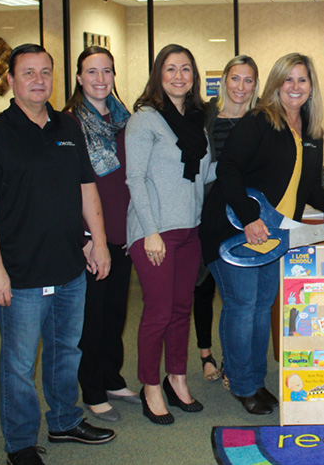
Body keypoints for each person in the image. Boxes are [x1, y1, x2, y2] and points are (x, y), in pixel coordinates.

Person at [0, 43, 115, 465]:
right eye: (28, 72)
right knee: (18, 364)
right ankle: (19, 443)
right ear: (10, 80)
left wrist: (99, 242)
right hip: (20, 272)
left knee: (66, 351)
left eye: (45, 72)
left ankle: (65, 421)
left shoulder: (68, 127)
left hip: (69, 267)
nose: (38, 80)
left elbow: (87, 188)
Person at [199, 52, 324, 415]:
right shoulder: (259, 121)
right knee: (242, 306)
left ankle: (254, 379)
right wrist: (250, 217)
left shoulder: (310, 130)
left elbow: (309, 187)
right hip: (234, 229)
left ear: (311, 86)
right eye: (288, 80)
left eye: (302, 80)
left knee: (261, 306)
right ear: (276, 85)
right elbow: (230, 170)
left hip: (274, 234)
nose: (295, 87)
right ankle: (242, 384)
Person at [126, 44, 213, 424]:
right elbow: (135, 178)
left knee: (181, 310)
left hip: (190, 230)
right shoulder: (145, 119)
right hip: (154, 232)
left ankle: (176, 378)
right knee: (158, 313)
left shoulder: (196, 119)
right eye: (171, 69)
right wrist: (151, 232)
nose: (179, 76)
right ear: (158, 75)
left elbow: (204, 175)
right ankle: (150, 386)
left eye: (186, 70)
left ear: (194, 77)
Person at [63, 46, 139, 422]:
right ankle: (91, 389)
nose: (99, 79)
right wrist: (89, 238)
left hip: (123, 230)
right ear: (79, 78)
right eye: (91, 72)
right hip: (92, 236)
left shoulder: (125, 119)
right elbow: (68, 186)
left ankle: (111, 376)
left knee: (115, 312)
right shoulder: (69, 123)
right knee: (91, 316)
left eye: (106, 71)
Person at [194, 55, 259, 385]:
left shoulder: (262, 119)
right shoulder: (206, 116)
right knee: (204, 287)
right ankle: (206, 355)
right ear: (224, 80)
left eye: (248, 80)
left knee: (242, 299)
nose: (241, 87)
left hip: (249, 215)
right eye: (235, 79)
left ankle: (237, 364)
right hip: (211, 212)